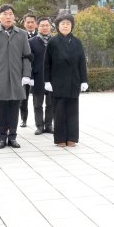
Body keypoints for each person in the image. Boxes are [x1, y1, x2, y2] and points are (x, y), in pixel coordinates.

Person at [0, 4, 31, 149]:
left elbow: (27, 56)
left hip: (17, 77)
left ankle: (13, 137)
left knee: (14, 109)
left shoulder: (22, 34)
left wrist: (26, 74)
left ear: (14, 17)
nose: (8, 16)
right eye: (5, 14)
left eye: (11, 14)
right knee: (1, 110)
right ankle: (2, 138)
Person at [44, 14, 88, 147]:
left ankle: (72, 138)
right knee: (59, 112)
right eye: (62, 23)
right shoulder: (53, 42)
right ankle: (60, 139)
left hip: (74, 81)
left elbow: (82, 62)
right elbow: (47, 63)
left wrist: (84, 80)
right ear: (58, 26)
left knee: (73, 111)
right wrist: (47, 81)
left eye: (68, 23)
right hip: (58, 81)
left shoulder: (77, 42)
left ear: (72, 26)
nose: (65, 26)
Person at [29, 17, 54, 135]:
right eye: (42, 25)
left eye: (47, 25)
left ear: (50, 27)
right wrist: (30, 77)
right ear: (37, 27)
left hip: (52, 78)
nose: (44, 27)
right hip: (37, 77)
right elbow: (28, 61)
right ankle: (39, 126)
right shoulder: (31, 42)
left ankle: (49, 125)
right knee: (37, 104)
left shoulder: (55, 41)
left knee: (51, 104)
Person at [19, 13, 38, 127]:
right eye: (28, 22)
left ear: (36, 24)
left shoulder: (41, 36)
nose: (30, 24)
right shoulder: (20, 36)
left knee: (38, 98)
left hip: (37, 71)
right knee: (23, 97)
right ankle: (23, 119)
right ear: (24, 24)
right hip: (24, 71)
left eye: (32, 22)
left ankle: (39, 121)